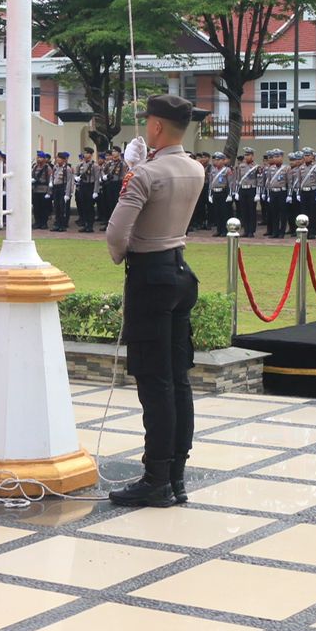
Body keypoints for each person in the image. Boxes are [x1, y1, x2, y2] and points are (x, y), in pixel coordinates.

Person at [105, 94, 205, 508]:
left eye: (148, 122)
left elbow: (115, 235)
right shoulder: (195, 168)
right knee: (178, 379)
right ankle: (176, 475)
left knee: (155, 382)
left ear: (157, 128)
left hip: (150, 275)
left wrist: (136, 172)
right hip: (180, 271)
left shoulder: (145, 175)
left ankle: (156, 477)